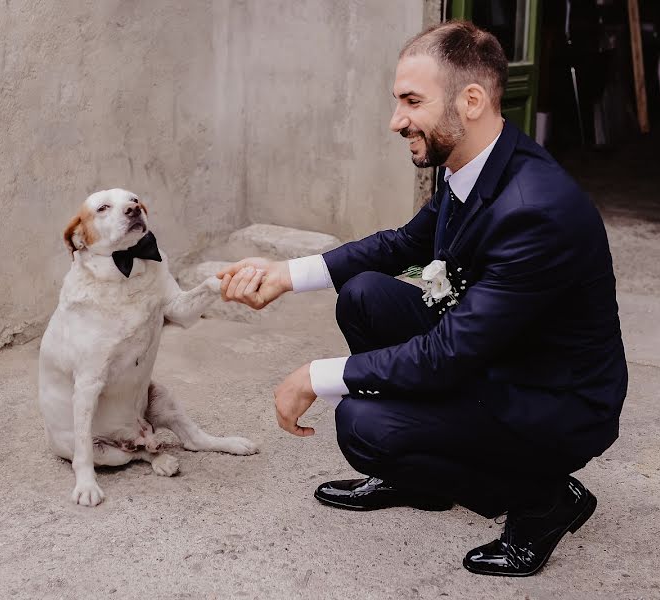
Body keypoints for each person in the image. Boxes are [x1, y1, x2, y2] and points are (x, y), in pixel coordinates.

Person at [216, 20, 627, 577]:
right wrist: (287, 274)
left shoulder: (536, 210)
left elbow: (446, 354)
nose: (396, 121)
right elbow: (404, 245)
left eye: (412, 101)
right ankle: (421, 484)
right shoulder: (473, 162)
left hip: (553, 399)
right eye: (397, 101)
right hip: (495, 352)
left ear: (472, 100)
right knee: (362, 296)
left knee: (363, 425)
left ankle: (545, 499)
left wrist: (314, 375)